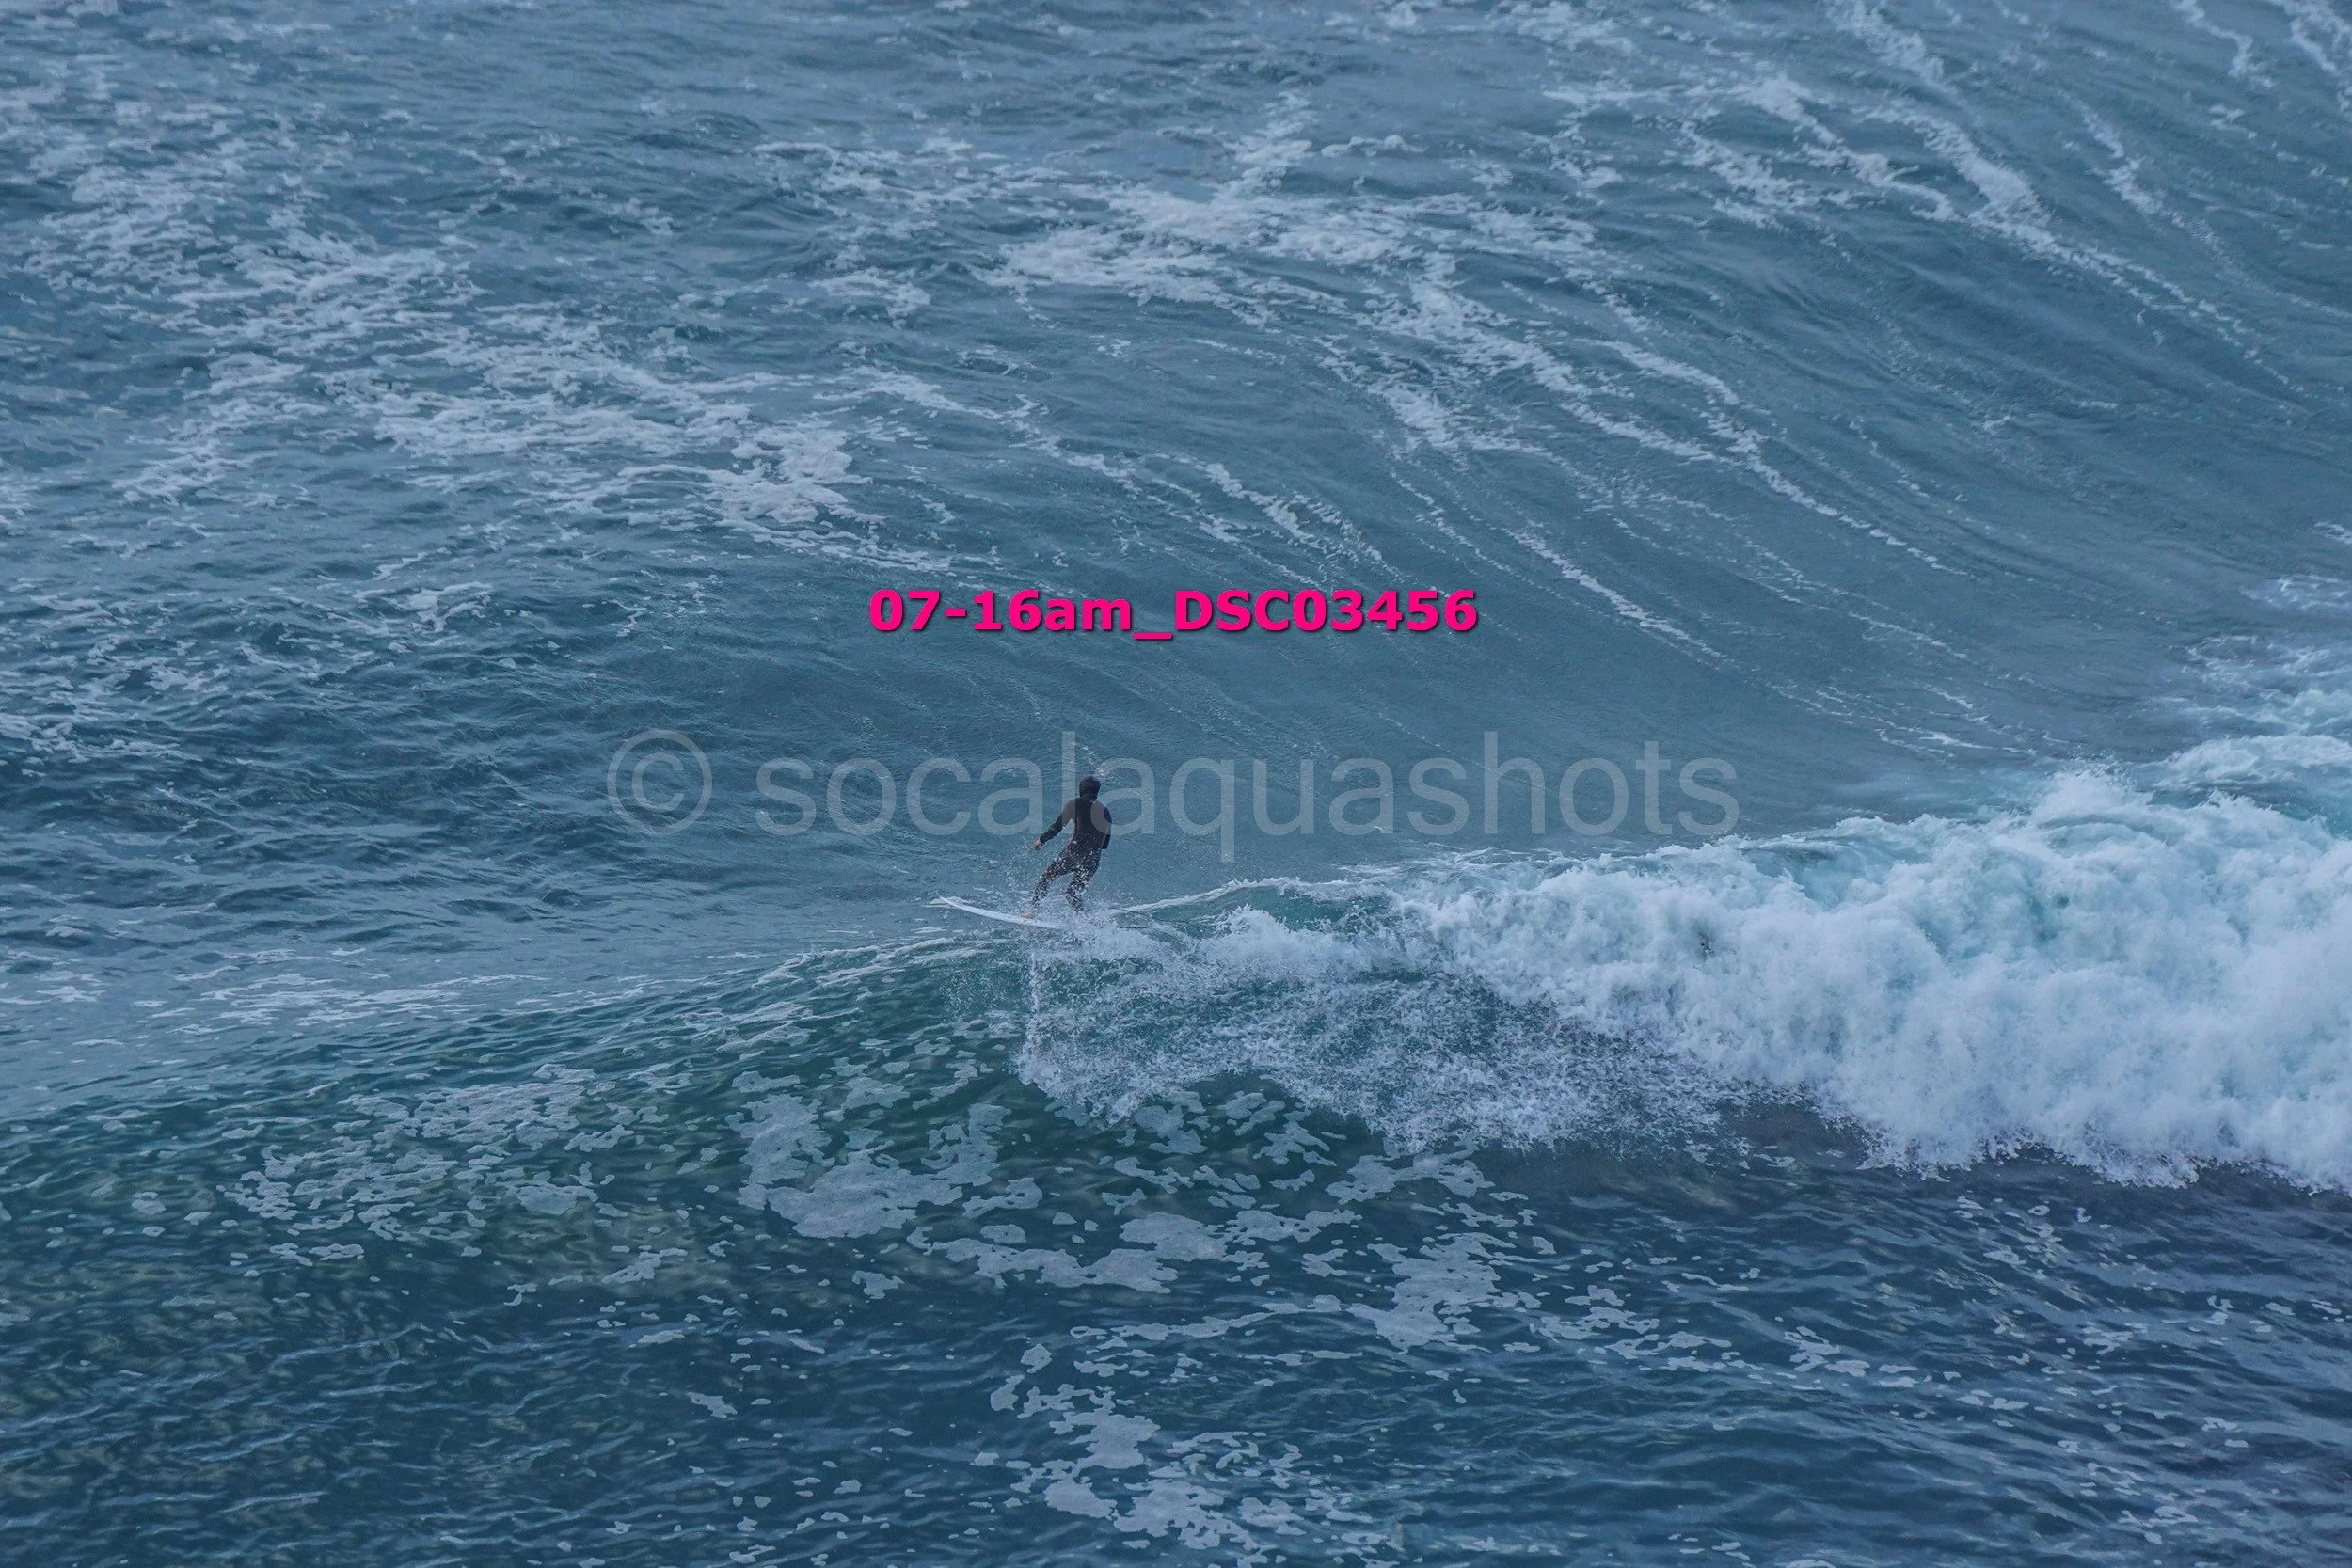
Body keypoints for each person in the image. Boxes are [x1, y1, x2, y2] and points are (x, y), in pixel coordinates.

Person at [1029, 776, 1114, 911]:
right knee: (1072, 894)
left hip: (1074, 853)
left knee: (1046, 878)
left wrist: (1041, 840)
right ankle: (1085, 917)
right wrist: (1077, 837)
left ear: (1081, 789)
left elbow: (1057, 827)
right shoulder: (1106, 812)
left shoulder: (1075, 804)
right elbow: (1104, 845)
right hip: (1093, 860)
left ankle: (1031, 911)